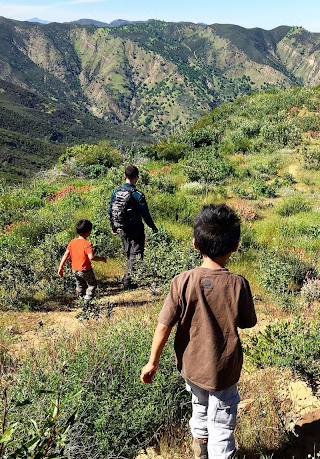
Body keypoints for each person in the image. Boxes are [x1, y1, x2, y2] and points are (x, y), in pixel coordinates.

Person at [140, 204, 257, 459]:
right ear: (235, 246)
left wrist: (152, 362)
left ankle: (199, 452)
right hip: (224, 369)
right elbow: (248, 322)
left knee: (199, 407)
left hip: (192, 367)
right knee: (223, 424)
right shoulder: (239, 284)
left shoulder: (182, 281)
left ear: (195, 244)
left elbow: (164, 325)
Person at [109, 165, 158, 290]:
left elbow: (111, 209)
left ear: (125, 176)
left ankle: (131, 278)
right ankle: (128, 282)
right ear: (136, 177)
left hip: (121, 228)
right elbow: (145, 214)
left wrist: (113, 226)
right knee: (135, 254)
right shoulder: (138, 195)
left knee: (129, 252)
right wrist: (153, 227)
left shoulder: (116, 191)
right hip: (136, 228)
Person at [57, 219, 107, 301]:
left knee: (80, 285)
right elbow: (91, 257)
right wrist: (102, 259)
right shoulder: (88, 244)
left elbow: (66, 254)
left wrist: (60, 267)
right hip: (85, 269)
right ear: (89, 231)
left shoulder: (72, 242)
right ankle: (87, 302)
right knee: (92, 285)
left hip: (74, 269)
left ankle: (80, 300)